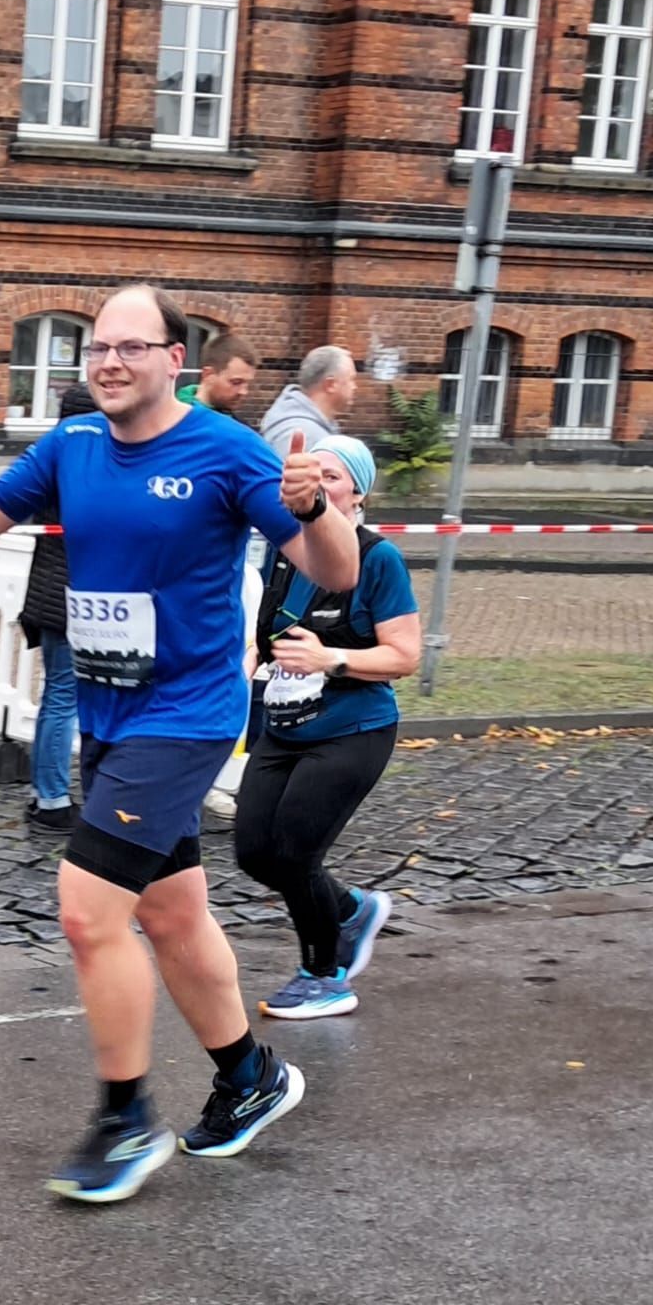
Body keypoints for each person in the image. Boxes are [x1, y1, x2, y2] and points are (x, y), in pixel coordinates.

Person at [0, 283, 359, 1204]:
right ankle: (250, 1077)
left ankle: (125, 1119)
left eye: (131, 347)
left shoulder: (228, 450)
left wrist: (315, 510)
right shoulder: (73, 443)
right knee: (171, 915)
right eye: (98, 348)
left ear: (175, 361)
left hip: (187, 716)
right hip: (109, 715)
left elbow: (337, 571)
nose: (110, 362)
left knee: (89, 912)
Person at [235, 435, 420, 1017]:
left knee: (294, 853)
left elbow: (405, 655)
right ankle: (351, 910)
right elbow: (268, 637)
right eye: (310, 471)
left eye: (332, 476)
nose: (316, 482)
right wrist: (245, 664)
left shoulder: (378, 558)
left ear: (358, 494)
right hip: (284, 724)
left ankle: (325, 975)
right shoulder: (286, 549)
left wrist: (331, 658)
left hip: (353, 729)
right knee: (253, 852)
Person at [18, 382, 98, 832]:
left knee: (58, 695)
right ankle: (51, 797)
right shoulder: (81, 467)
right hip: (70, 597)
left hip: (50, 593)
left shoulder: (51, 460)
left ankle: (44, 792)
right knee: (63, 697)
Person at [260, 345, 359, 457]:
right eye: (351, 379)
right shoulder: (304, 435)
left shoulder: (310, 427)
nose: (355, 387)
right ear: (330, 385)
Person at [175, 333, 259, 417]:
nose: (243, 392)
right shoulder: (176, 418)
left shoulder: (234, 422)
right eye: (236, 382)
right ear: (208, 375)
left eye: (247, 384)